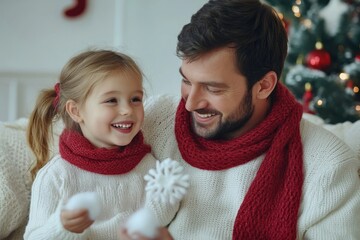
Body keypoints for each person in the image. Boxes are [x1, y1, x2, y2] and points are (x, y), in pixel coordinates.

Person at [121, 0, 360, 239]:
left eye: (212, 88)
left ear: (264, 86)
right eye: (187, 81)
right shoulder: (150, 120)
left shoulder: (329, 167)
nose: (191, 103)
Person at [24, 50, 182, 239]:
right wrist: (62, 228)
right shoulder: (57, 176)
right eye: (111, 100)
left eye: (135, 99)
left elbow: (158, 222)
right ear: (76, 111)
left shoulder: (149, 167)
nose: (127, 110)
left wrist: (166, 197)